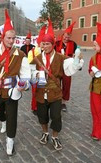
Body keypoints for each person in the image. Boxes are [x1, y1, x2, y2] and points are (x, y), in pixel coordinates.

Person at [0, 9, 31, 156]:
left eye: (13, 38)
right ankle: (2, 121)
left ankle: (10, 139)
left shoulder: (20, 54)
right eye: (8, 38)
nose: (11, 41)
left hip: (12, 91)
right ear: (3, 37)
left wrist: (23, 85)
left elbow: (26, 75)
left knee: (12, 116)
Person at [30, 20, 84, 150]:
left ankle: (55, 136)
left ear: (53, 44)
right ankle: (45, 133)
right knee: (42, 117)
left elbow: (73, 65)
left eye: (48, 44)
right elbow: (29, 72)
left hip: (55, 94)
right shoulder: (36, 57)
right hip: (41, 93)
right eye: (43, 44)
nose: (45, 46)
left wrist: (77, 59)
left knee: (56, 117)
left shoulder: (61, 57)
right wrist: (35, 75)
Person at [55, 22, 77, 112]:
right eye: (65, 37)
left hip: (68, 68)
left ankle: (63, 102)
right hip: (58, 67)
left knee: (66, 85)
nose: (66, 39)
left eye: (68, 37)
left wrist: (76, 61)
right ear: (62, 35)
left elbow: (76, 54)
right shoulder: (56, 43)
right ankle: (56, 100)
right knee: (56, 83)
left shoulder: (73, 44)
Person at [27, 25, 46, 115]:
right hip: (35, 75)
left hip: (45, 75)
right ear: (39, 42)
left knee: (44, 91)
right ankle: (35, 107)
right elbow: (29, 64)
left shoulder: (48, 52)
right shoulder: (33, 51)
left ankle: (43, 107)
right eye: (43, 42)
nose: (44, 44)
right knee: (35, 92)